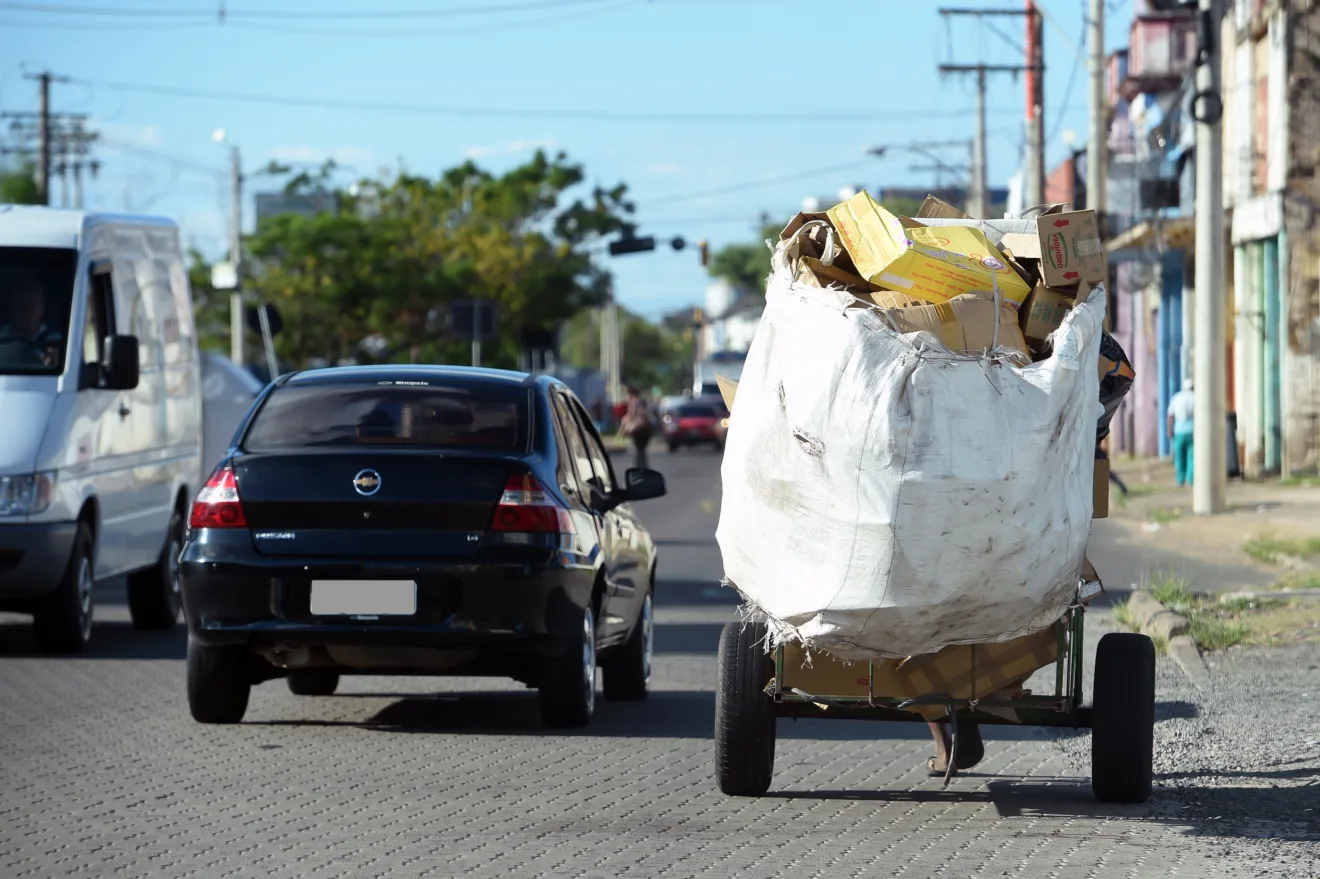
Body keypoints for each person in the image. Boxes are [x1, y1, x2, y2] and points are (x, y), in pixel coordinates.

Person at [0, 281, 62, 368]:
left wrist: (56, 364)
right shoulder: (2, 339)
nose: (27, 311)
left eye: (32, 304)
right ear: (11, 309)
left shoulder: (59, 340)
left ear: (42, 307)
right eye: (20, 305)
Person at [1167, 378, 1195, 486]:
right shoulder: (1196, 397)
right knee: (1192, 456)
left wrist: (1169, 430)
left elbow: (1170, 415)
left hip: (1179, 431)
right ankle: (1191, 479)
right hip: (1192, 431)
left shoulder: (1177, 398)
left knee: (1179, 456)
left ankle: (1180, 479)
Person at [620, 386, 653, 469]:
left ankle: (640, 468)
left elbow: (632, 415)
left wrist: (624, 427)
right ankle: (643, 467)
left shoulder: (634, 402)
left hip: (639, 429)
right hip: (645, 429)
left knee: (639, 450)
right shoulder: (641, 401)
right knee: (641, 450)